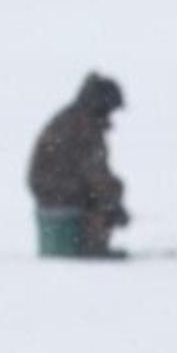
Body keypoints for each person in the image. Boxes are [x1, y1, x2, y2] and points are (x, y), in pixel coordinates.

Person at [27, 71, 129, 258]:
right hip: (56, 188)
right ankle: (92, 247)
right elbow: (95, 173)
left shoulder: (74, 118)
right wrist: (114, 205)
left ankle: (87, 243)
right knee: (106, 193)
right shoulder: (84, 126)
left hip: (49, 186)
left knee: (106, 191)